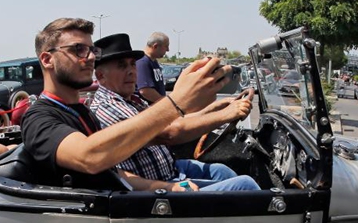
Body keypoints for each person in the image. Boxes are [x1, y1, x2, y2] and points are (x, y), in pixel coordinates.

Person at [21, 18, 234, 192]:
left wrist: (168, 188)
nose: (90, 57)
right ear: (48, 60)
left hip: (130, 203)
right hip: (109, 222)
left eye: (91, 49)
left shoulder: (82, 112)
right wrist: (176, 101)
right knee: (245, 186)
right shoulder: (38, 118)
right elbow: (89, 156)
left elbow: (115, 173)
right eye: (78, 49)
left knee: (230, 177)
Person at [91, 33, 258, 191]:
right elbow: (169, 133)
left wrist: (212, 109)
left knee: (221, 171)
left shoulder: (131, 98)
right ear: (100, 76)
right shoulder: (108, 107)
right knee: (245, 185)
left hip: (170, 169)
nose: (131, 71)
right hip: (154, 190)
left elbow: (172, 121)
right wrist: (225, 115)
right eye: (122, 66)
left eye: (132, 64)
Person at [136, 32, 169, 104]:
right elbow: (145, 90)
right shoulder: (143, 62)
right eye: (166, 46)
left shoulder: (153, 61)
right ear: (155, 46)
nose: (168, 50)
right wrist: (166, 103)